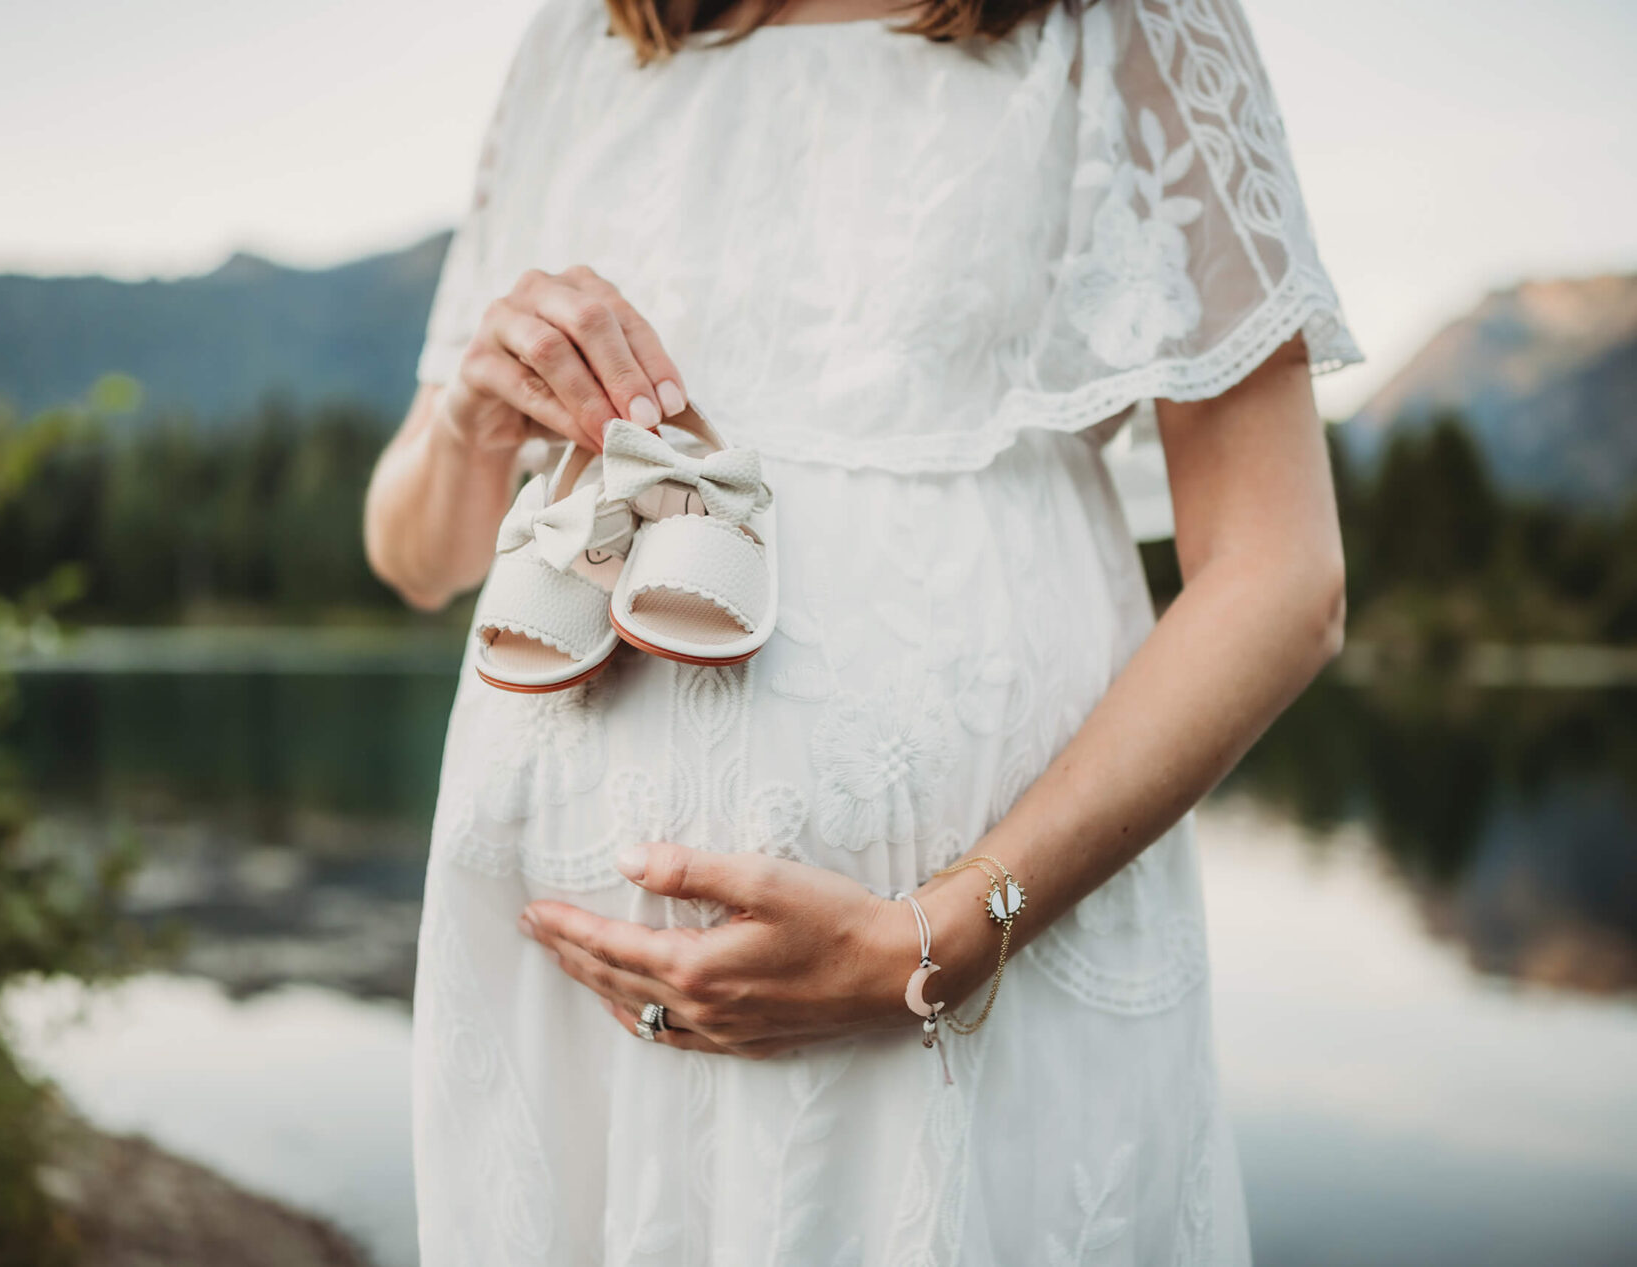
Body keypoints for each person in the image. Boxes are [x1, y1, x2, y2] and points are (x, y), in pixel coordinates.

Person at [364, 0, 1358, 1261]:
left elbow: (1282, 572)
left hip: (983, 984)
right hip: (571, 1028)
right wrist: (468, 419)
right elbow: (416, 554)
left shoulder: (1125, 19)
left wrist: (932, 942)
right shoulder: (587, 34)